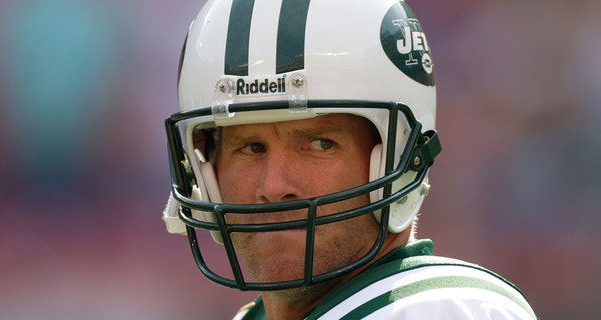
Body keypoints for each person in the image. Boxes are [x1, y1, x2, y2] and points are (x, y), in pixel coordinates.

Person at [162, 0, 538, 319]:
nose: (274, 187)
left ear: (396, 157)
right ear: (205, 169)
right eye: (250, 147)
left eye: (320, 144)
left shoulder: (446, 309)